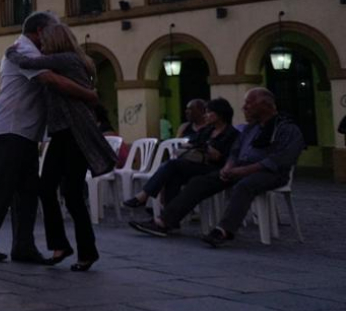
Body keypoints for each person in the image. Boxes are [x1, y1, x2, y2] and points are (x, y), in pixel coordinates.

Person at [0, 11, 100, 264]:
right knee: (2, 188)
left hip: (24, 132)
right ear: (39, 31)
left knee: (27, 191)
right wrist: (88, 94)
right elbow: (51, 79)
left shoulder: (31, 51)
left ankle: (23, 246)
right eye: (50, 30)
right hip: (11, 129)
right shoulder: (22, 50)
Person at [6, 23, 117, 271]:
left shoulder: (65, 59)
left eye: (44, 42)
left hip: (75, 132)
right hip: (61, 133)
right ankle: (61, 245)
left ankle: (86, 252)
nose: (42, 46)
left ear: (55, 41)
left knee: (72, 193)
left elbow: (27, 63)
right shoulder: (67, 61)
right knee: (47, 188)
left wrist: (11, 52)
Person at [130, 88, 304, 245]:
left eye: (249, 104)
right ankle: (164, 222)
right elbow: (235, 152)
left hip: (269, 173)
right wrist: (228, 167)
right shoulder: (250, 129)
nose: (244, 107)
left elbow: (279, 160)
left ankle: (224, 230)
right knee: (199, 182)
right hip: (239, 169)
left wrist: (242, 170)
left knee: (245, 186)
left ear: (265, 105)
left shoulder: (286, 128)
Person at [124, 98, 238, 211]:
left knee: (172, 164)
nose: (206, 115)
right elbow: (193, 143)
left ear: (219, 115)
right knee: (174, 177)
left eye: (209, 112)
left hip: (215, 169)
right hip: (199, 164)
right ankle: (167, 216)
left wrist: (212, 152)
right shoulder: (208, 130)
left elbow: (228, 157)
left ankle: (144, 196)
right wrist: (192, 146)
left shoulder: (232, 134)